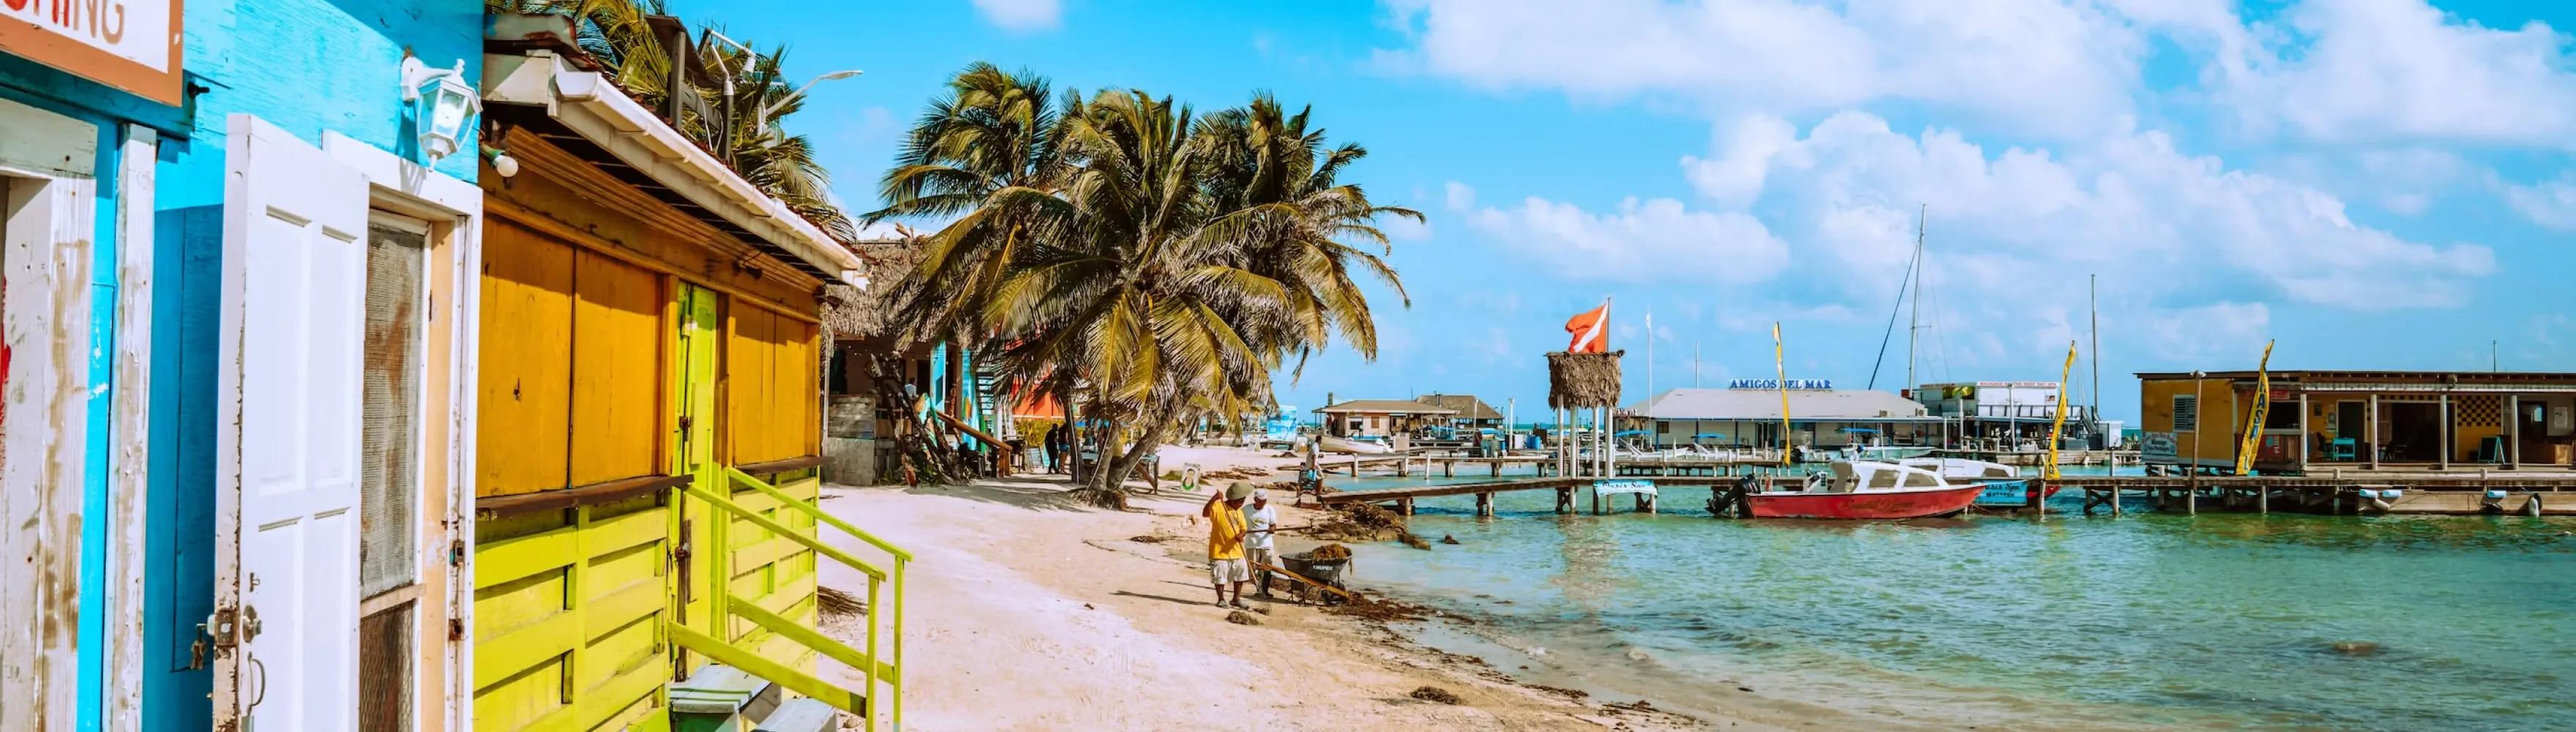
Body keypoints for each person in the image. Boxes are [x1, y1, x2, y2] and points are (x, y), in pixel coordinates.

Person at [1199, 482, 1254, 608]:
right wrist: (1214, 498)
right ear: (1235, 500)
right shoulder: (1219, 507)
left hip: (1237, 550)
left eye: (1243, 501)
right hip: (1219, 550)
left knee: (1240, 575)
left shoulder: (1239, 511)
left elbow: (1244, 528)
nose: (1241, 504)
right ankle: (1221, 599)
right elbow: (1205, 513)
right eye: (1240, 501)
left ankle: (1236, 599)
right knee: (1220, 577)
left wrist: (1242, 535)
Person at [1242, 489, 1281, 599]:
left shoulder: (1269, 510)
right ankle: (1259, 589)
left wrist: (1272, 529)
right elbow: (1238, 522)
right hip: (1251, 543)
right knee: (1253, 567)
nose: (1263, 503)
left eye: (1265, 500)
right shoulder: (1246, 510)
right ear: (1255, 500)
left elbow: (1273, 525)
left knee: (1268, 566)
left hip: (1266, 542)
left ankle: (1265, 590)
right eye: (1261, 501)